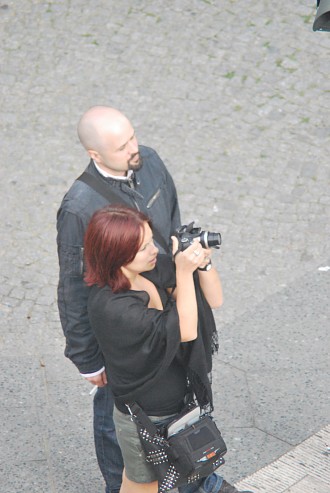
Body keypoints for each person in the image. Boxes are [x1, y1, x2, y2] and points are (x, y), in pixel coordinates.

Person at [56, 106, 253, 493]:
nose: (134, 147)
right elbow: (72, 286)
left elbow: (174, 231)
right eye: (122, 144)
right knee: (123, 433)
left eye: (132, 136)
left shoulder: (149, 162)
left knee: (167, 435)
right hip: (131, 353)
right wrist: (86, 359)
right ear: (95, 154)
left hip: (165, 327)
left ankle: (192, 480)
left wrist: (191, 261)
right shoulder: (79, 208)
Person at [84, 204, 223, 493]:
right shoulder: (112, 306)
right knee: (143, 487)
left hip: (177, 407)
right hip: (144, 419)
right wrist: (183, 273)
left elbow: (214, 300)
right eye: (143, 246)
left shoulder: (150, 268)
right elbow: (185, 330)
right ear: (116, 254)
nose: (153, 250)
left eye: (151, 241)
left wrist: (204, 264)